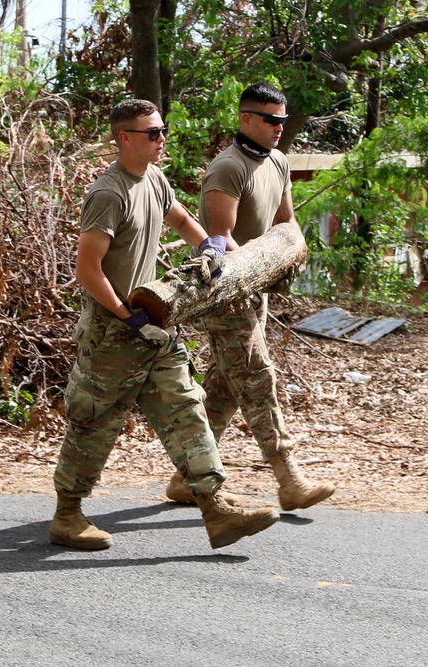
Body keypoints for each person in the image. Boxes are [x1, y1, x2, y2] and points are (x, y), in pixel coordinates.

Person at [50, 98, 280, 551]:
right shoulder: (108, 193)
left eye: (163, 131)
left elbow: (178, 217)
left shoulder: (153, 178)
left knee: (186, 408)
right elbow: (87, 270)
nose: (161, 140)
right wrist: (125, 316)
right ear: (124, 138)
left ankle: (215, 509)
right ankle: (67, 515)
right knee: (94, 422)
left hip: (156, 318)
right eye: (152, 133)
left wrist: (213, 250)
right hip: (114, 330)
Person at [164, 82, 335, 511]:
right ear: (246, 120)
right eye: (271, 120)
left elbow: (285, 225)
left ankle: (186, 479)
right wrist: (253, 278)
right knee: (258, 376)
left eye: (283, 119)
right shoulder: (227, 168)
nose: (280, 127)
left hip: (256, 289)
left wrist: (292, 257)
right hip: (225, 291)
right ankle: (288, 478)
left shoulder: (277, 162)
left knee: (224, 386)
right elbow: (221, 241)